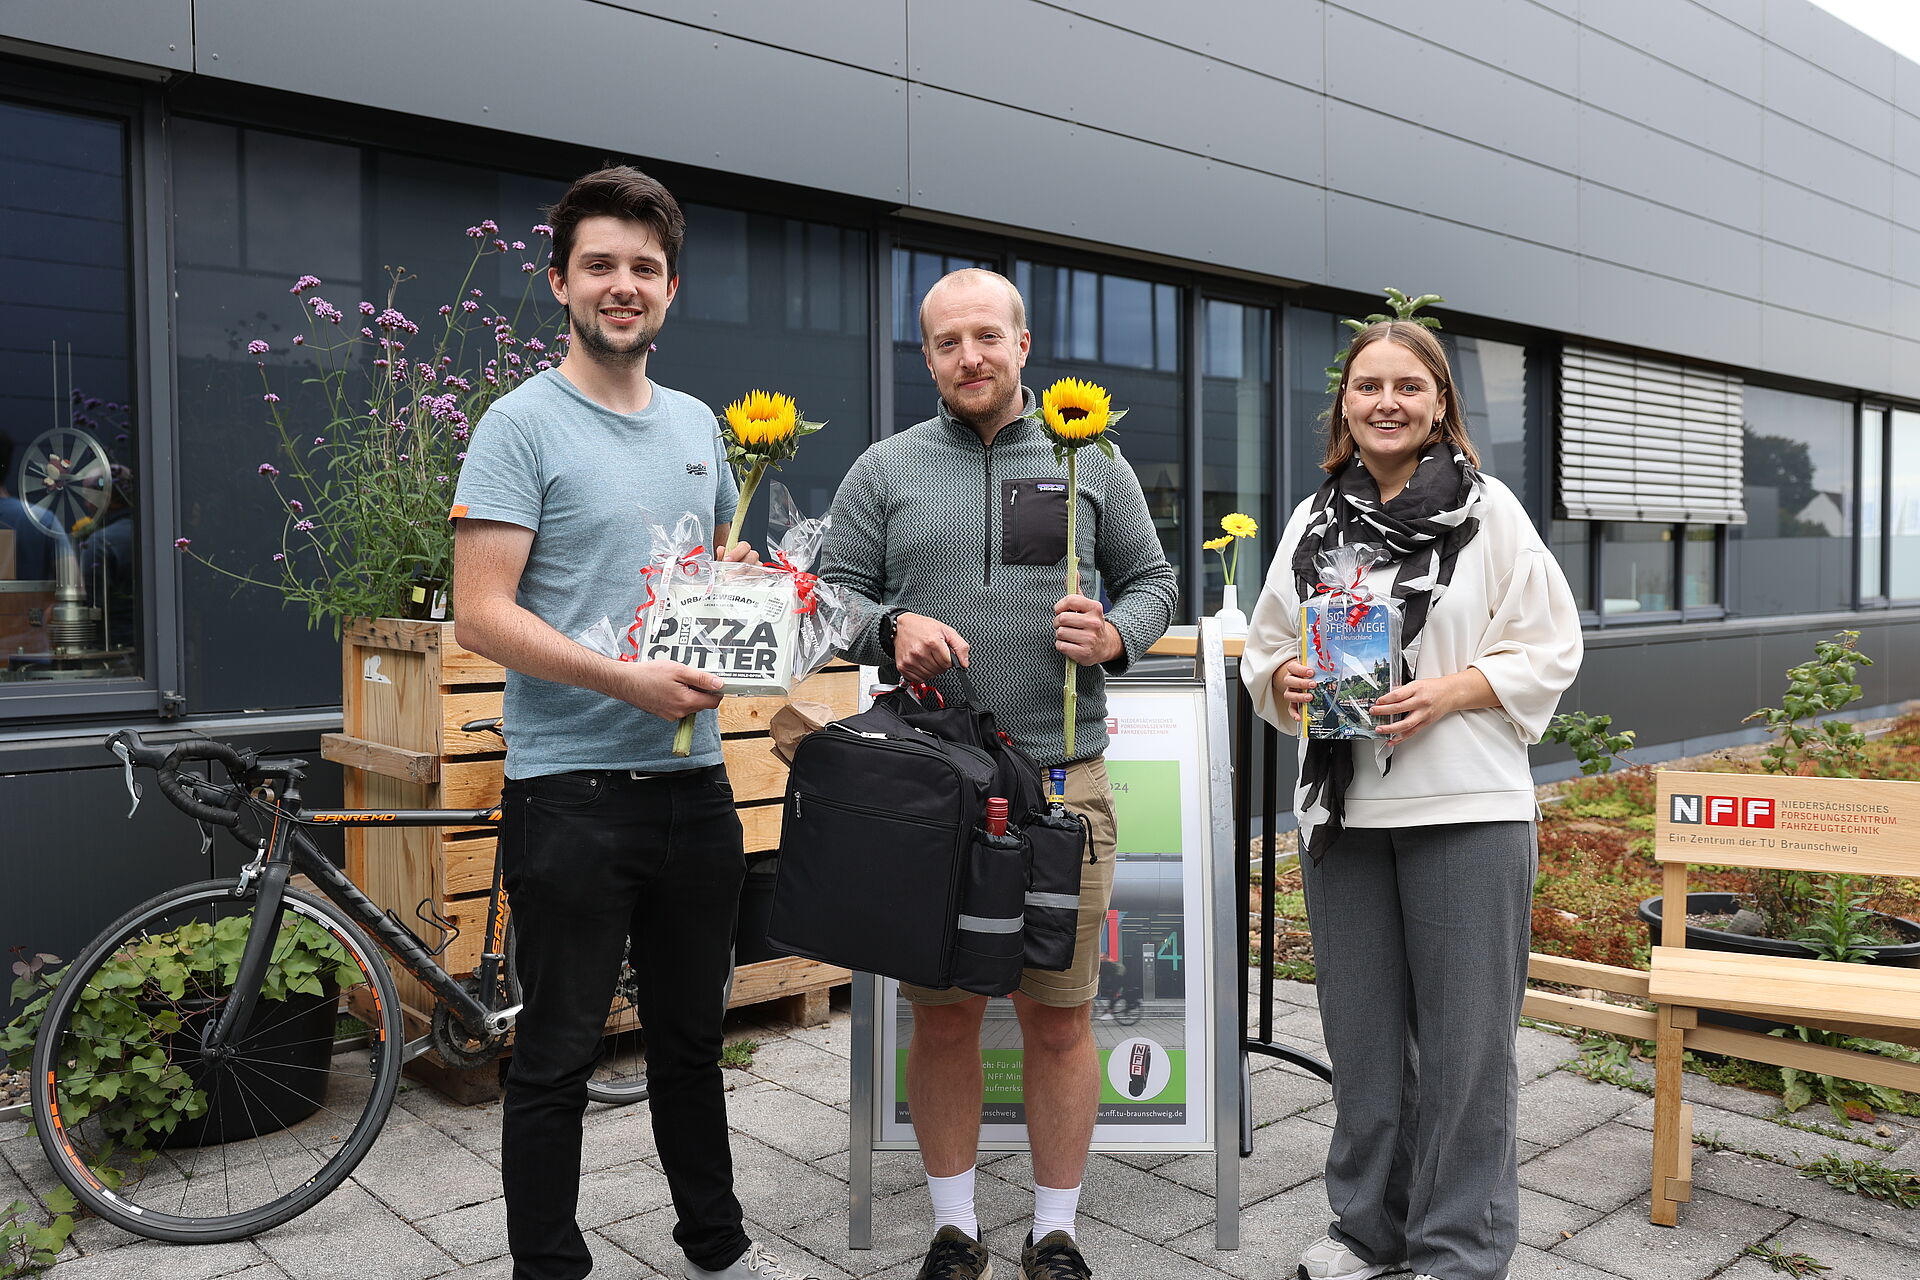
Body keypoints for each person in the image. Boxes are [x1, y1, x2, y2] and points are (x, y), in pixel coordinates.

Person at [451, 167, 815, 1280]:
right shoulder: (518, 425)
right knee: (556, 1054)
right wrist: (627, 683)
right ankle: (550, 1266)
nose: (623, 285)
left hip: (695, 789)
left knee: (692, 1045)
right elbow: (480, 613)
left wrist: (747, 583)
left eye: (644, 268)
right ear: (560, 281)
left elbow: (700, 578)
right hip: (572, 793)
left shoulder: (701, 426)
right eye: (601, 265)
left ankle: (716, 1248)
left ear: (669, 288)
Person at [821, 269, 1178, 1280]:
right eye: (945, 342)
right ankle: (953, 1226)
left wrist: (1116, 632)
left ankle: (1055, 1230)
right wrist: (887, 627)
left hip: (1064, 781)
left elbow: (1153, 580)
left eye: (987, 336)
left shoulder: (1092, 457)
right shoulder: (886, 468)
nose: (968, 356)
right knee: (942, 1014)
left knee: (1060, 1016)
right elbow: (828, 592)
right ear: (926, 355)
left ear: (1025, 344)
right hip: (935, 789)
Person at [1239, 321, 1582, 1280]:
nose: (1385, 402)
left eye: (1407, 386)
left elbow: (1552, 645)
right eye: (1366, 386)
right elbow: (1267, 650)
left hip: (1467, 810)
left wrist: (1453, 689)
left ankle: (1457, 1251)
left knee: (1469, 1055)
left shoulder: (1490, 514)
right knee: (1363, 1044)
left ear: (1440, 405)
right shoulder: (1315, 524)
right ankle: (1367, 1234)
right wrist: (1289, 682)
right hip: (1345, 819)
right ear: (1344, 406)